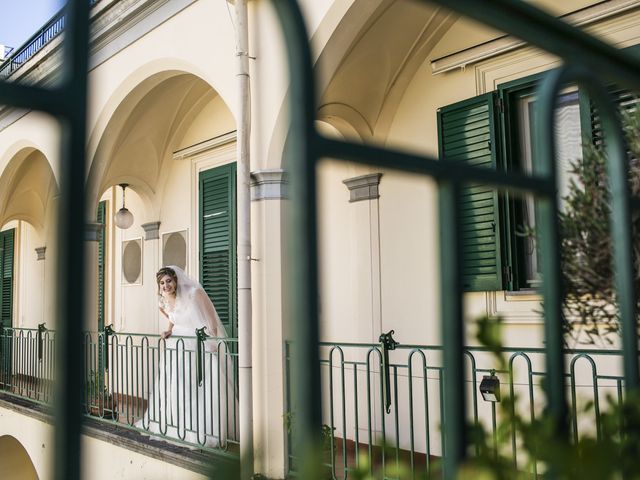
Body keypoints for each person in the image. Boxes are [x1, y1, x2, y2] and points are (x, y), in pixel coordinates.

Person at [136, 265, 233, 448]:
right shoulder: (163, 301)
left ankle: (194, 427)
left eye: (169, 281)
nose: (166, 286)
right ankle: (175, 424)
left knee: (192, 384)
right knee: (174, 384)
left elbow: (211, 318)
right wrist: (168, 330)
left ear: (176, 279)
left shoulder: (194, 293)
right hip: (175, 346)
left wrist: (212, 340)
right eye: (162, 283)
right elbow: (173, 317)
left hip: (195, 343)